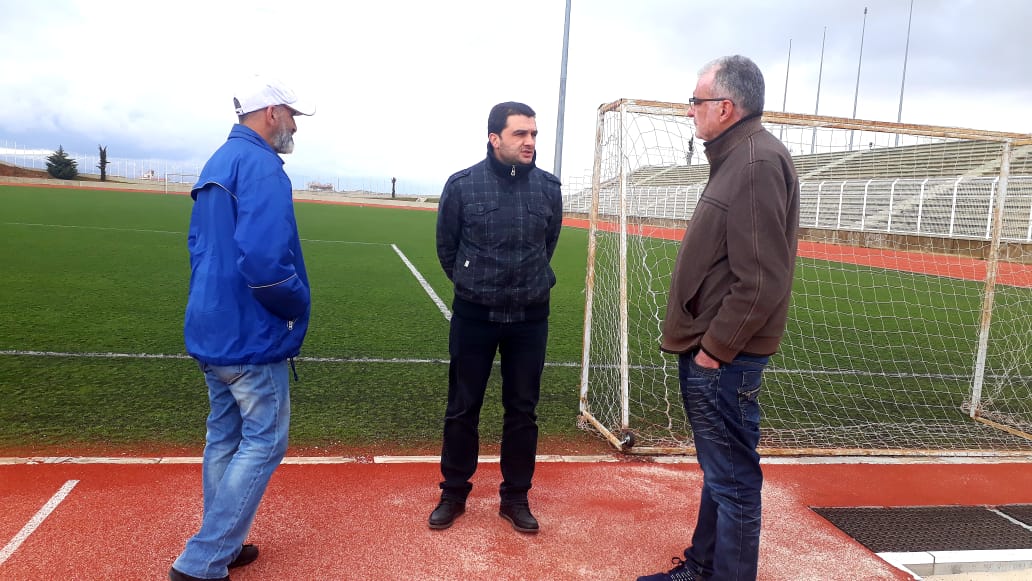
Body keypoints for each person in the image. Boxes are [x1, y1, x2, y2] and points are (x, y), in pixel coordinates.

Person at [638, 55, 799, 581]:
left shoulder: (754, 163)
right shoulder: (738, 157)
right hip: (716, 353)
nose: (691, 111)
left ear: (725, 107)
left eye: (696, 101)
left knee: (733, 483)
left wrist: (713, 352)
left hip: (724, 361)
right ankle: (704, 567)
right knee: (721, 472)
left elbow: (762, 279)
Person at [170, 75, 314, 581]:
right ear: (271, 112)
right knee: (264, 441)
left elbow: (199, 246)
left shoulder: (219, 161)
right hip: (249, 331)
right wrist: (297, 304)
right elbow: (266, 262)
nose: (295, 126)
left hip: (211, 322)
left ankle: (223, 547)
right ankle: (203, 560)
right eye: (292, 115)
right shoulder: (261, 166)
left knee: (224, 438)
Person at [429, 101, 564, 534]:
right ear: (494, 138)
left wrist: (524, 282)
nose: (530, 142)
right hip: (475, 316)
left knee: (523, 411)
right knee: (462, 407)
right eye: (520, 133)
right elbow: (447, 248)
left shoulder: (548, 188)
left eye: (534, 134)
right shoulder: (463, 185)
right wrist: (474, 284)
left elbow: (549, 243)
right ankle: (453, 493)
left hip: (530, 318)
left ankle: (516, 497)